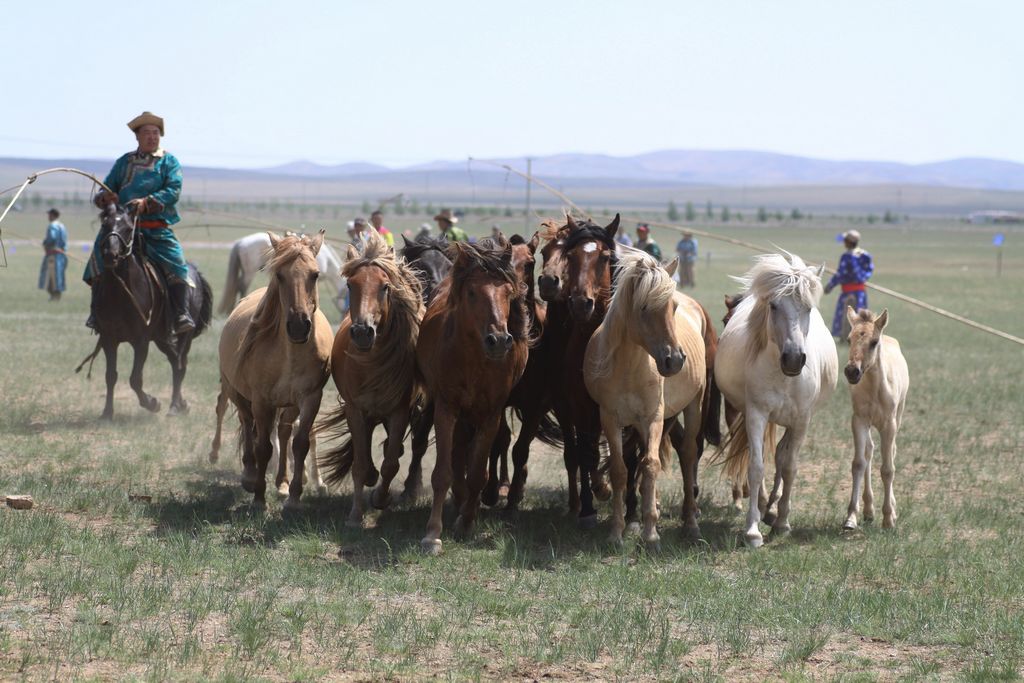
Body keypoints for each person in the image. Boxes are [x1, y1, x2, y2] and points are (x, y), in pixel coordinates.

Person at [86, 111, 194, 335]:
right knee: (99, 258)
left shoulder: (169, 162)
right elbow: (107, 188)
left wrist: (147, 202)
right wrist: (105, 197)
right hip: (124, 229)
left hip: (155, 230)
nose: (152, 137)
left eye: (155, 133)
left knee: (177, 263)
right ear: (137, 137)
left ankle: (181, 313)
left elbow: (173, 190)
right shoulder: (124, 162)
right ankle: (97, 313)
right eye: (147, 133)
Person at [824, 229, 874, 339]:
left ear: (849, 242)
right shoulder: (865, 255)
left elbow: (840, 274)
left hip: (847, 293)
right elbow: (869, 270)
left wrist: (829, 286)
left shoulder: (846, 257)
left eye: (845, 241)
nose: (843, 243)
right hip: (860, 293)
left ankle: (845, 337)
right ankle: (860, 336)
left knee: (846, 315)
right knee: (860, 316)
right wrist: (860, 279)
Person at [38, 208, 68, 301]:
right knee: (58, 276)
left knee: (50, 277)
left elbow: (52, 237)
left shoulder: (52, 226)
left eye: (49, 215)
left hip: (52, 256)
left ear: (53, 215)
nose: (48, 217)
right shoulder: (62, 226)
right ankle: (56, 296)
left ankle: (54, 297)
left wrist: (45, 243)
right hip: (61, 255)